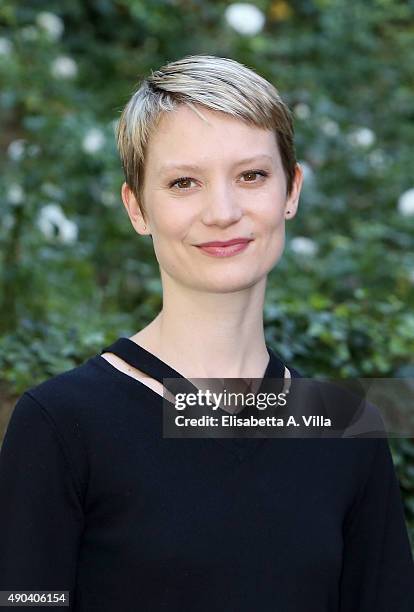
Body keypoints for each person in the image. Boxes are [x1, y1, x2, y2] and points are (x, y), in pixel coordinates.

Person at [0, 54, 413, 611]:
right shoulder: (61, 426)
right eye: (184, 182)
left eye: (251, 175)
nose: (222, 211)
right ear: (137, 207)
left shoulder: (346, 427)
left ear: (291, 191)